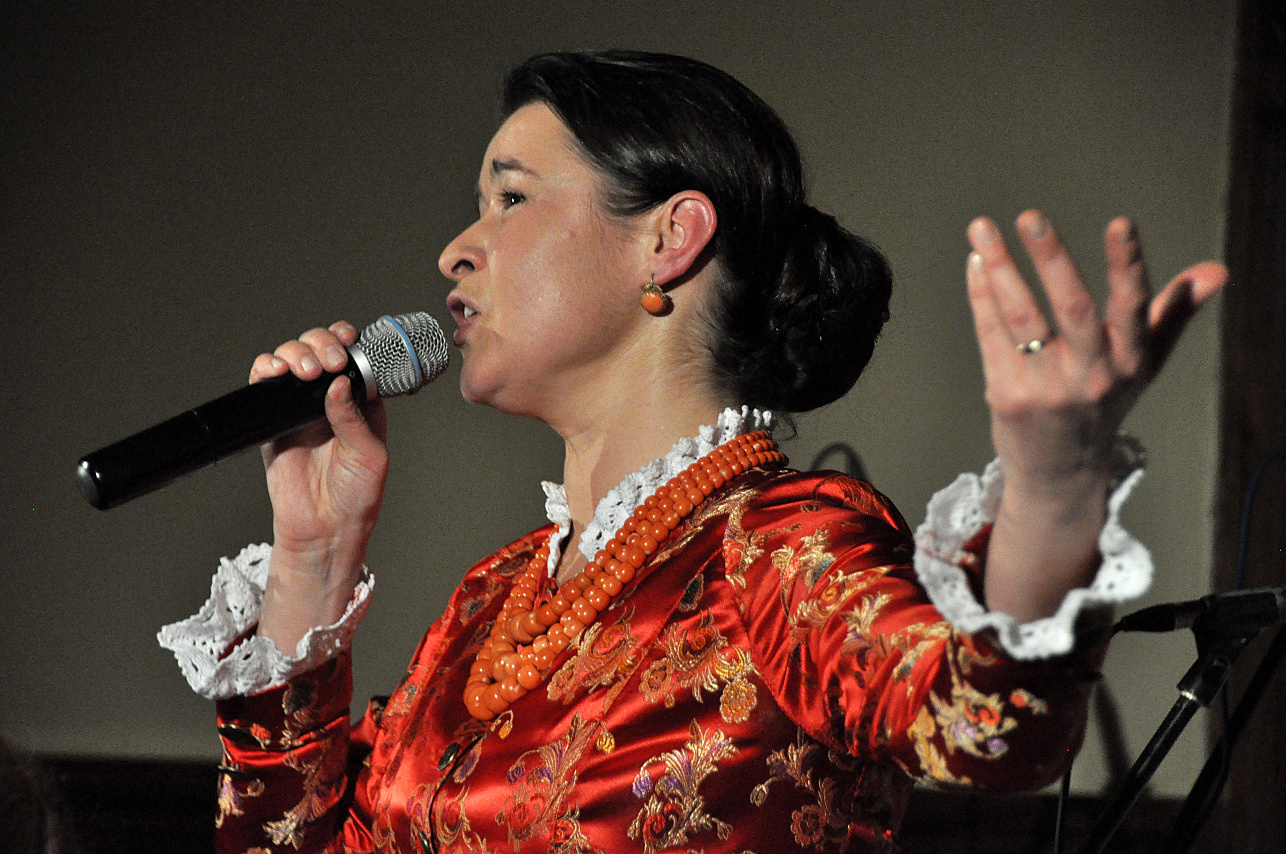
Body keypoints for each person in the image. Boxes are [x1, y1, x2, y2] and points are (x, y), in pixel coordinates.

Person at [159, 50, 1227, 853]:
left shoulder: (780, 544)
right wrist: (312, 557)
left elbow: (988, 728)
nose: (456, 248)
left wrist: (1052, 480)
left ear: (668, 239)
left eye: (511, 197)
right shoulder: (487, 602)